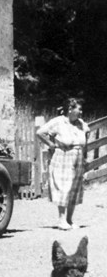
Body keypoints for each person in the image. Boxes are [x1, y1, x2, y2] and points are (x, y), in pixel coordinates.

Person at [36, 98, 90, 230]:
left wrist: (84, 155)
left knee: (74, 189)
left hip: (77, 157)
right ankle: (61, 220)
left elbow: (87, 132)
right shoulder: (58, 121)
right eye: (79, 109)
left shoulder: (80, 123)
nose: (81, 112)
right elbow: (40, 132)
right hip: (63, 157)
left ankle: (70, 220)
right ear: (70, 109)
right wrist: (51, 144)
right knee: (64, 187)